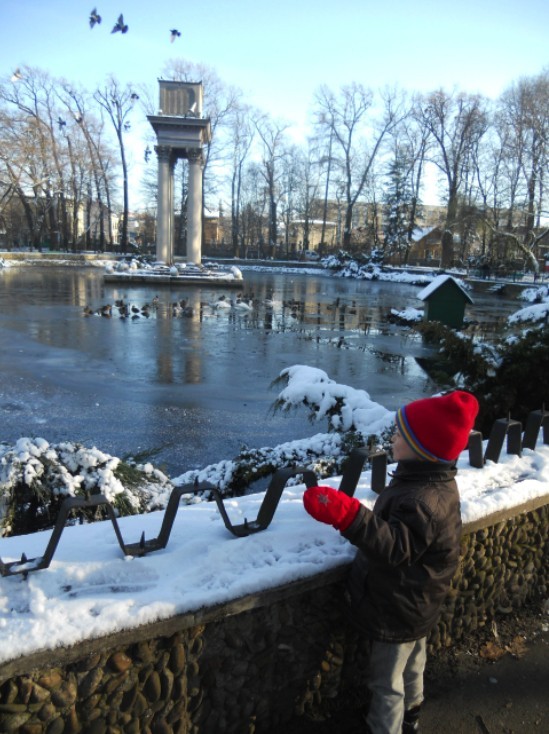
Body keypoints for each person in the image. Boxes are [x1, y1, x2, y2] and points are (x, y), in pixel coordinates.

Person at [303, 390, 479, 734]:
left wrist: (349, 514)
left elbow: (395, 547)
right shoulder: (435, 482)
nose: (393, 436)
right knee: (414, 665)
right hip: (419, 604)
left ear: (422, 449)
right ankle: (413, 712)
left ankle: (387, 727)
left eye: (401, 433)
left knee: (386, 683)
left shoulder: (421, 499)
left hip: (397, 608)